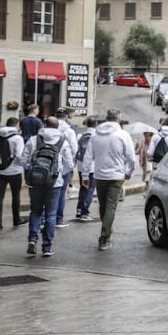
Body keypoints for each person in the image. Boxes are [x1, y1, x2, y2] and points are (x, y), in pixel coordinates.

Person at [80, 109, 136, 251]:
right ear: (118, 119)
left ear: (106, 118)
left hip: (99, 175)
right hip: (116, 175)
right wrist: (129, 171)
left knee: (103, 205)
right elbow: (130, 156)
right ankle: (104, 237)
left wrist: (85, 175)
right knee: (111, 207)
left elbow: (88, 156)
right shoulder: (123, 135)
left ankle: (106, 229)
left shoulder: (95, 135)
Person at [20, 117, 75, 257]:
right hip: (54, 184)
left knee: (35, 211)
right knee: (51, 215)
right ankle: (47, 247)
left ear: (44, 125)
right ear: (57, 127)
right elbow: (69, 164)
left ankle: (32, 239)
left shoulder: (34, 140)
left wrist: (32, 171)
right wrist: (57, 174)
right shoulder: (63, 142)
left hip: (35, 182)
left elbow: (23, 161)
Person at [0, 117, 25, 230]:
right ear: (16, 126)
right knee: (15, 196)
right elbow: (19, 156)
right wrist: (16, 164)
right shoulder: (18, 138)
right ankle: (16, 220)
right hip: (15, 172)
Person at [53, 107, 79, 227]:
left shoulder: (47, 128)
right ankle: (58, 219)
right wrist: (70, 163)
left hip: (47, 166)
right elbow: (74, 149)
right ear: (66, 116)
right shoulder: (69, 131)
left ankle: (44, 219)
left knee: (47, 193)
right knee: (61, 194)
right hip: (63, 166)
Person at [75, 117, 97, 220]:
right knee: (90, 189)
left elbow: (76, 149)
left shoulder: (81, 135)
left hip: (81, 165)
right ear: (95, 124)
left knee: (83, 187)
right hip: (92, 166)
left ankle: (79, 209)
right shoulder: (96, 135)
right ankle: (85, 212)